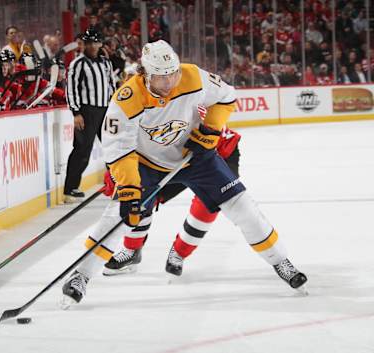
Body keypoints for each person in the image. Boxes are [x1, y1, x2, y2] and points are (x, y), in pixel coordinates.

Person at [61, 40, 308, 307]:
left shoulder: (192, 76)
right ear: (145, 74)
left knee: (243, 206)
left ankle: (281, 261)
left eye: (172, 74)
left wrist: (211, 130)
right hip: (147, 164)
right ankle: (81, 276)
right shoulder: (127, 98)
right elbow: (119, 149)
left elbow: (226, 97)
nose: (168, 83)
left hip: (196, 158)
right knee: (117, 216)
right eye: (160, 77)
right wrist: (130, 189)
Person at [102, 125, 242, 277]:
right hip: (168, 154)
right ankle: (132, 250)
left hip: (215, 152)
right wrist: (118, 175)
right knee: (140, 195)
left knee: (207, 206)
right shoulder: (139, 113)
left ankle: (179, 253)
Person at [63, 28, 115, 203]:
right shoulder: (78, 64)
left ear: (101, 44)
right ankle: (70, 188)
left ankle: (118, 183)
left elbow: (111, 86)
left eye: (96, 42)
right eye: (89, 42)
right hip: (86, 111)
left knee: (112, 147)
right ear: (84, 44)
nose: (93, 46)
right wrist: (76, 112)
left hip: (105, 110)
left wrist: (115, 108)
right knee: (82, 149)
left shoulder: (106, 63)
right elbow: (71, 88)